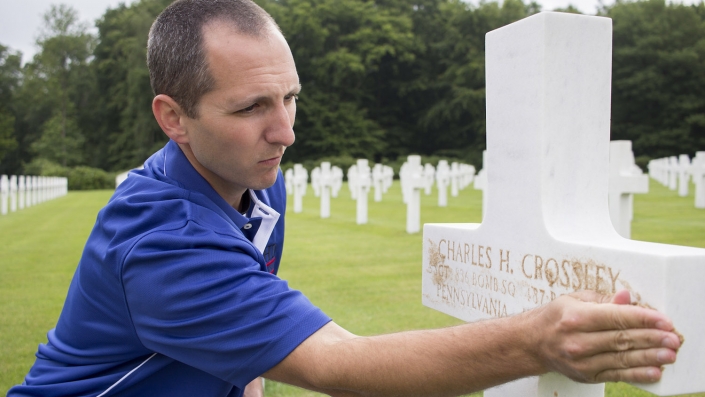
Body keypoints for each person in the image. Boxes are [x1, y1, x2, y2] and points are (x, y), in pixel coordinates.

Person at [9, 1, 681, 396]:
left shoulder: (249, 184)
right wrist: (537, 339)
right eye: (251, 107)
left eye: (290, 97)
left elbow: (244, 348)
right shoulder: (162, 238)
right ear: (173, 116)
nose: (285, 131)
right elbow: (339, 362)